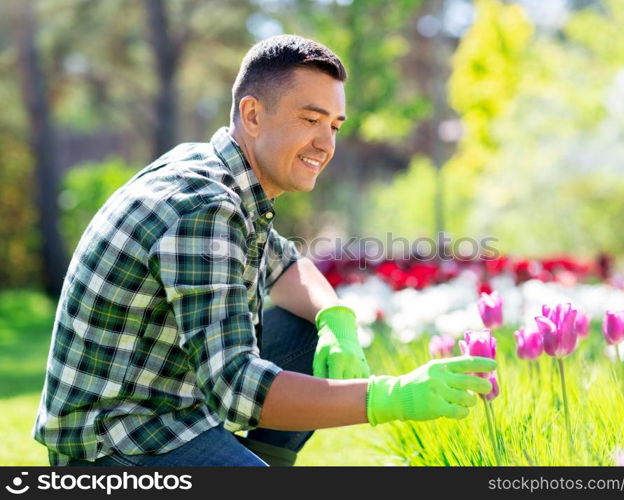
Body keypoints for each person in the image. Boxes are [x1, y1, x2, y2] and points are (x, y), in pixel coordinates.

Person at [33, 34, 495, 467]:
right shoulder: (201, 207)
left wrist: (338, 320)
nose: (325, 143)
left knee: (305, 327)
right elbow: (236, 386)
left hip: (174, 406)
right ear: (252, 115)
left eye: (334, 125)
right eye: (310, 120)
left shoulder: (226, 175)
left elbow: (285, 265)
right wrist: (391, 396)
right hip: (117, 443)